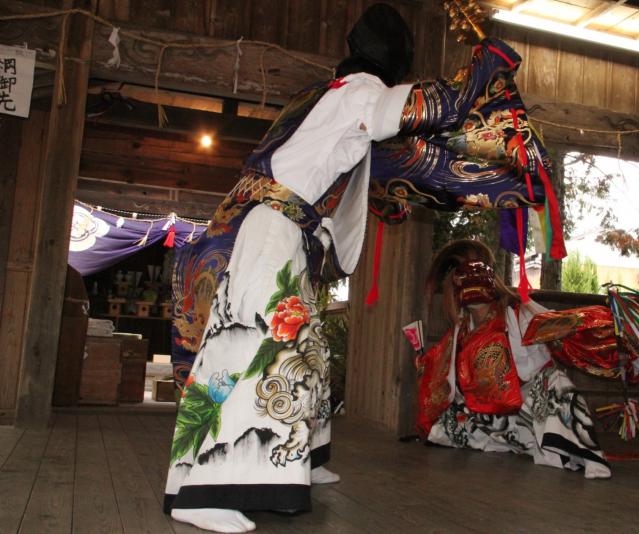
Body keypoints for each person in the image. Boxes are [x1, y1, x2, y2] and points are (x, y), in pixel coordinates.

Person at [165, 4, 562, 530]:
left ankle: (297, 460)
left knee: (299, 352)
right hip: (274, 231)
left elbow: (395, 166)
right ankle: (206, 490)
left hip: (283, 232)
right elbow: (414, 112)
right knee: (255, 349)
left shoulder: (321, 98)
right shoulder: (357, 93)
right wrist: (480, 76)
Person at [417, 240, 611, 479]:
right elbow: (450, 383)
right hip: (491, 413)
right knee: (444, 427)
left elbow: (556, 327)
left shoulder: (515, 311)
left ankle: (574, 451)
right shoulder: (462, 328)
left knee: (556, 382)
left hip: (528, 404)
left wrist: (600, 331)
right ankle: (517, 441)